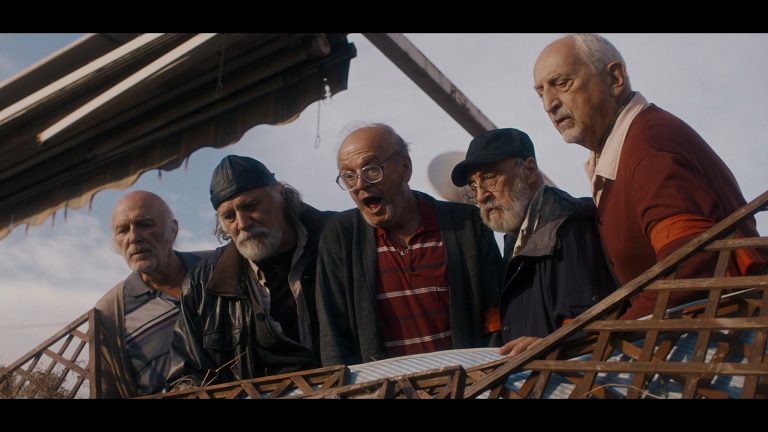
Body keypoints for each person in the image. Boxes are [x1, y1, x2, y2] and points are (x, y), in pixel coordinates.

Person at [533, 34, 765, 319]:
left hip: (733, 331)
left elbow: (689, 265)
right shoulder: (624, 150)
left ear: (615, 78)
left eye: (562, 83)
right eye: (540, 92)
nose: (549, 104)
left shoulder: (649, 145)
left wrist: (607, 336)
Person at [315, 123, 502, 366]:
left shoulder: (466, 225)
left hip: (470, 381)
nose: (360, 184)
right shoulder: (340, 236)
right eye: (349, 176)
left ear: (405, 167)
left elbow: (495, 313)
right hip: (381, 386)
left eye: (371, 169)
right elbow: (333, 339)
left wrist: (491, 374)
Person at [166, 155, 333, 388]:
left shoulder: (338, 242)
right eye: (229, 216)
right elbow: (186, 376)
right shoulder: (200, 285)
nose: (242, 223)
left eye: (251, 206)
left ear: (280, 194)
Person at [451, 128, 617, 356]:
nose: (481, 196)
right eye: (474, 186)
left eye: (490, 178)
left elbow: (595, 329)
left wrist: (551, 346)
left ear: (529, 170)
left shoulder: (570, 228)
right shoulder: (516, 242)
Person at [94, 190, 208, 398]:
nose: (134, 237)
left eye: (145, 224)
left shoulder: (214, 268)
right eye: (122, 230)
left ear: (173, 230)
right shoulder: (110, 312)